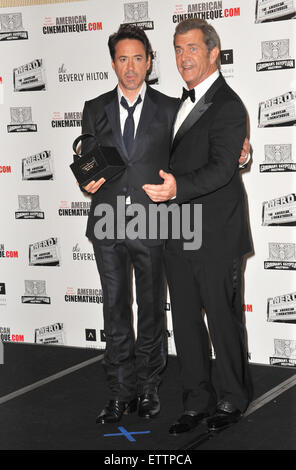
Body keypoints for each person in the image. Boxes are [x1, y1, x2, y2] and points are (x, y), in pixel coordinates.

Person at [79, 23, 250, 425]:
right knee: (116, 311)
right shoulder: (95, 107)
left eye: (139, 57)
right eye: (123, 58)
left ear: (149, 61)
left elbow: (208, 151)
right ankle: (123, 392)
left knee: (154, 311)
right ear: (113, 63)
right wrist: (84, 178)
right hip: (109, 223)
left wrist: (241, 155)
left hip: (159, 223)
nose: (131, 66)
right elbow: (87, 157)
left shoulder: (171, 106)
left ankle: (153, 389)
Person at [143, 18, 253, 434]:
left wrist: (176, 189)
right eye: (177, 49)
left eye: (192, 48)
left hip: (217, 235)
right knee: (186, 322)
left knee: (222, 322)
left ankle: (231, 398)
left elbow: (222, 169)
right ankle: (195, 401)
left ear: (213, 53)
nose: (183, 57)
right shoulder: (176, 104)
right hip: (178, 231)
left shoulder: (227, 104)